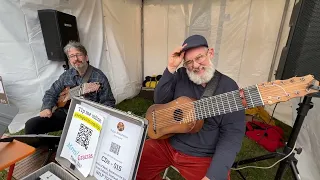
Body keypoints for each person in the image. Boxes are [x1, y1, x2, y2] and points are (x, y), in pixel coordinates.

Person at [136, 35, 245, 180]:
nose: (195, 65)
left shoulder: (228, 87)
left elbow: (232, 134)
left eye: (199, 57)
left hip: (202, 155)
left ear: (210, 53)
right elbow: (159, 101)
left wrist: (213, 175)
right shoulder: (181, 75)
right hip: (169, 143)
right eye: (188, 62)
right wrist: (171, 68)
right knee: (133, 166)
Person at [25, 41, 115, 134]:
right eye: (72, 56)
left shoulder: (99, 77)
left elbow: (109, 102)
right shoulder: (67, 75)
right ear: (69, 60)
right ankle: (43, 148)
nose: (76, 59)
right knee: (31, 125)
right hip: (66, 114)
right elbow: (51, 93)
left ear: (86, 57)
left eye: (79, 54)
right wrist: (46, 107)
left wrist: (97, 116)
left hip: (88, 117)